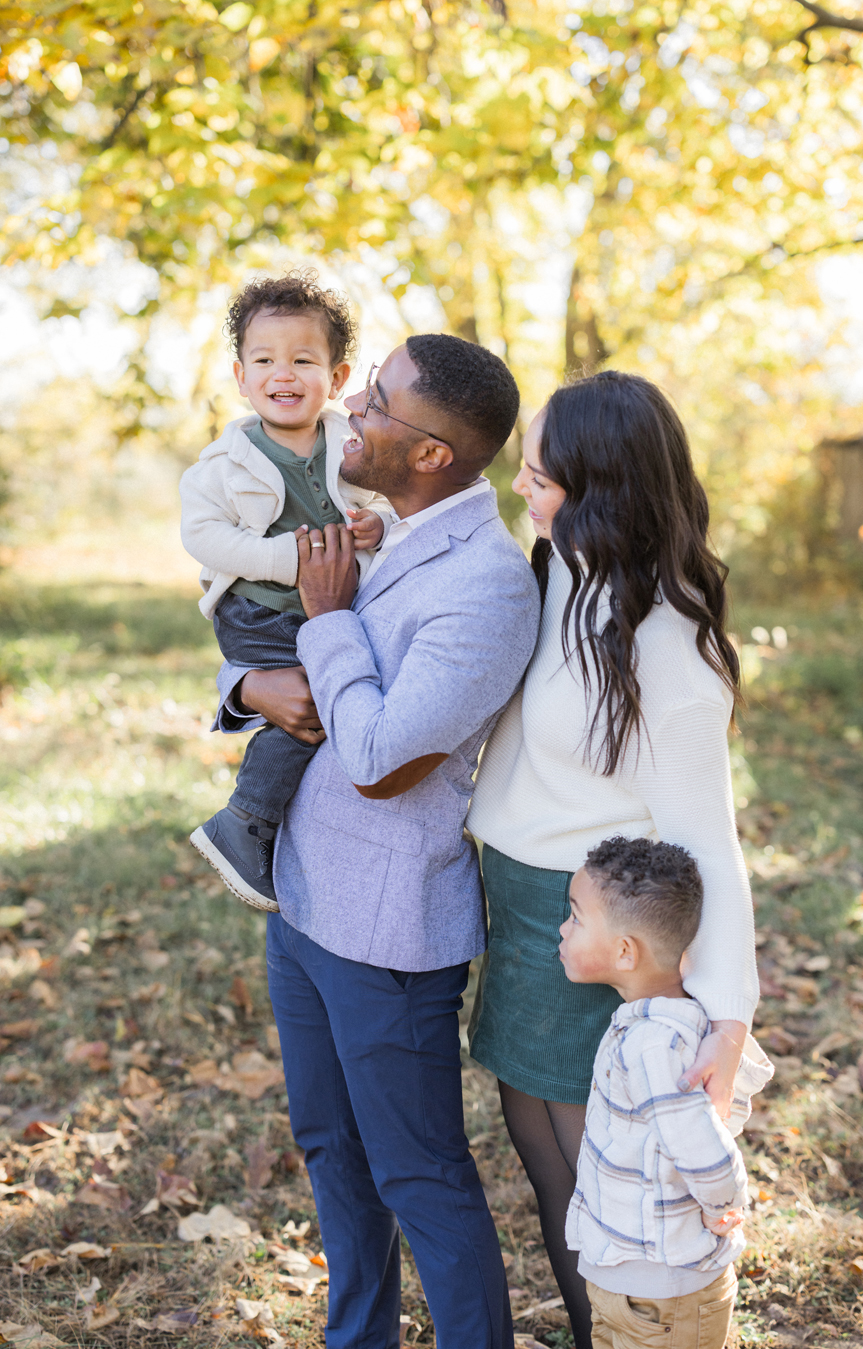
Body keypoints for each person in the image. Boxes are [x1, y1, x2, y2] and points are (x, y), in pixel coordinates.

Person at [213, 334, 541, 1349]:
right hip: (304, 904)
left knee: (421, 1176)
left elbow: (383, 758)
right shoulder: (380, 528)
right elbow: (277, 664)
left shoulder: (487, 588)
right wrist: (241, 682)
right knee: (330, 1151)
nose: (348, 401)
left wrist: (326, 619)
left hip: (391, 937)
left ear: (432, 450)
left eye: (379, 396)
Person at [466, 370, 760, 1348]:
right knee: (542, 1155)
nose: (522, 492)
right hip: (521, 905)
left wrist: (725, 1015)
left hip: (592, 922)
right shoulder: (565, 565)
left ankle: (634, 1335)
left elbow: (704, 840)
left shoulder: (665, 646)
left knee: (601, 1187)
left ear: (602, 491)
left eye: (539, 477)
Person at [179, 270, 391, 911]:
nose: (284, 374)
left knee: (334, 693)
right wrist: (286, 560)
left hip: (323, 607)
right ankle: (247, 821)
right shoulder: (223, 463)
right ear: (242, 378)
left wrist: (377, 523)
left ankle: (262, 824)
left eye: (304, 360)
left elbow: (384, 503)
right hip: (259, 611)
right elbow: (205, 537)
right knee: (319, 698)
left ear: (339, 376)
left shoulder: (353, 444)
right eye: (265, 360)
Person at [559, 836, 772, 1349]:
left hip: (662, 1295)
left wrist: (721, 1204)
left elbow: (701, 1144)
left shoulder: (655, 1045)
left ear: (625, 952)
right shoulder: (646, 1028)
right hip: (627, 1285)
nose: (563, 930)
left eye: (575, 918)